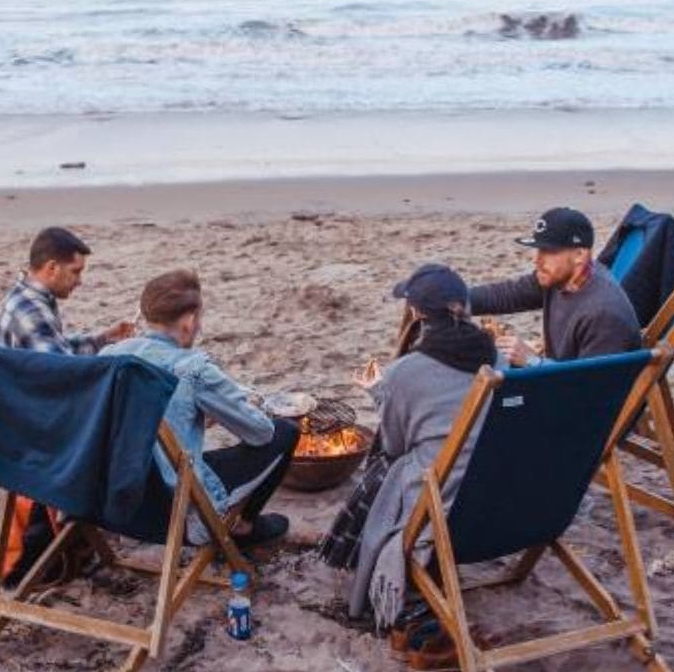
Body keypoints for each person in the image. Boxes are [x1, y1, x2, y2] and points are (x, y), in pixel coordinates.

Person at [319, 264, 498, 639]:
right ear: (464, 306)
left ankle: (361, 579)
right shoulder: (496, 360)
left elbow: (396, 446)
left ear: (416, 314)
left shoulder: (406, 372)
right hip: (490, 501)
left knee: (386, 468)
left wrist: (380, 391)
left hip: (439, 503)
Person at [102, 269, 297, 547]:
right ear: (189, 320)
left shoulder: (109, 357)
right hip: (174, 515)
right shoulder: (193, 369)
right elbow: (260, 433)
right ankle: (243, 526)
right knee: (285, 432)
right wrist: (245, 408)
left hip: (113, 505)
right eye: (200, 319)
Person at [468, 206, 641, 365]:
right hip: (562, 378)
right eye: (537, 250)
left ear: (579, 255)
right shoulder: (559, 278)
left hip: (578, 394)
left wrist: (532, 361)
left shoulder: (603, 314)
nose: (536, 260)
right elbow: (506, 294)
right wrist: (455, 298)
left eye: (548, 251)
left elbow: (589, 388)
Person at [0, 226, 135, 354]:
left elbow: (58, 346)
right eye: (75, 271)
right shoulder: (32, 311)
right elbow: (64, 373)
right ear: (52, 268)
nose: (79, 281)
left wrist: (103, 340)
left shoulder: (23, 296)